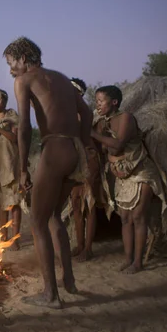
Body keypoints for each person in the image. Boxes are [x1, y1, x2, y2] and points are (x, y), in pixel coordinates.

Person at [4, 37, 93, 309]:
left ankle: (50, 295)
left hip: (53, 149)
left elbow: (24, 127)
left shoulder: (24, 81)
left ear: (23, 58)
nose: (10, 70)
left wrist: (22, 169)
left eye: (11, 63)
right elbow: (87, 114)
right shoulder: (63, 79)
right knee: (54, 216)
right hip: (73, 149)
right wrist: (83, 144)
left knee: (38, 222)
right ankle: (69, 280)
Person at [90, 85, 167, 274]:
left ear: (114, 102)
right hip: (122, 175)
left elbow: (119, 144)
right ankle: (128, 258)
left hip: (140, 171)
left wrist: (95, 134)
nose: (97, 105)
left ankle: (138, 262)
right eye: (96, 101)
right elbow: (105, 151)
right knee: (125, 218)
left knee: (138, 217)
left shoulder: (126, 118)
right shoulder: (102, 123)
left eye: (100, 101)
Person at [66, 77, 101, 262]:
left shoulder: (84, 112)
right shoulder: (65, 112)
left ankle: (88, 248)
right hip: (74, 162)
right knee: (76, 204)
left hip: (87, 159)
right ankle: (80, 245)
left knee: (90, 205)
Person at [0, 89, 22, 250]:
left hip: (12, 164)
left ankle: (15, 238)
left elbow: (15, 138)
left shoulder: (12, 116)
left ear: (5, 101)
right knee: (2, 204)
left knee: (15, 203)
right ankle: (4, 236)